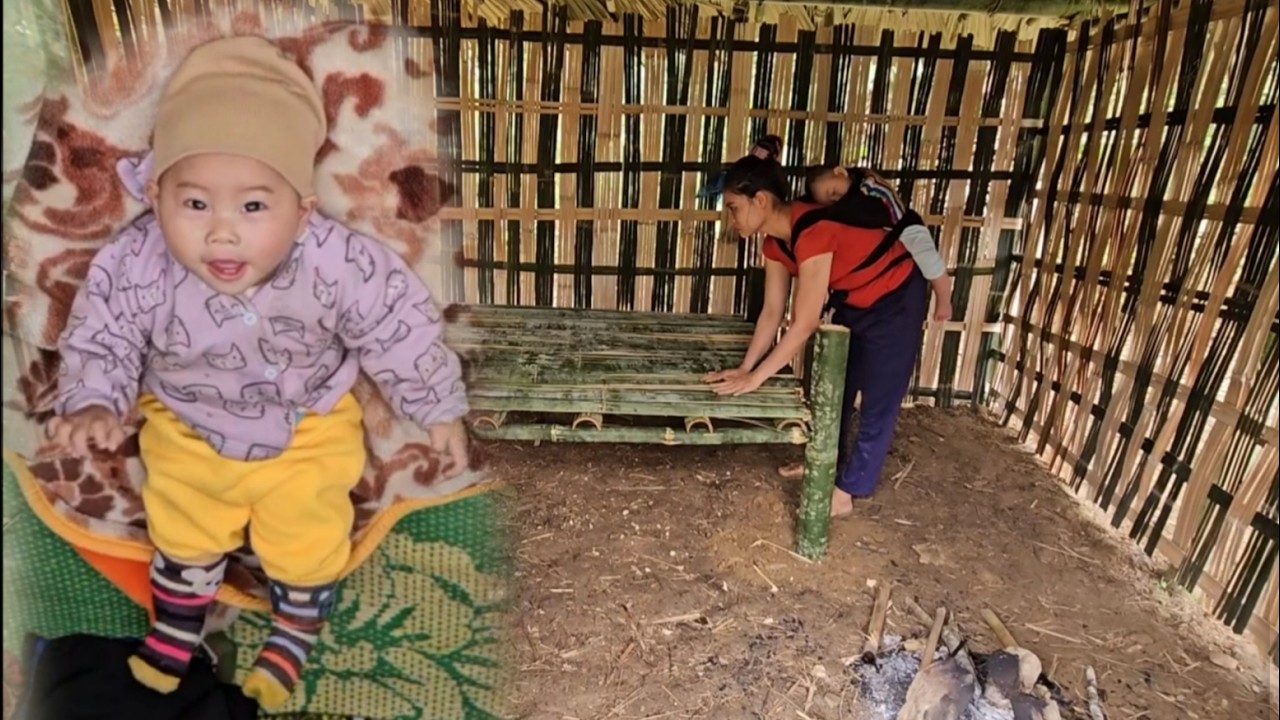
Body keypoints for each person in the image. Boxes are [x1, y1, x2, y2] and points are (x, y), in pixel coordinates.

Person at [48, 36, 470, 710]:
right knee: (181, 525)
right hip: (187, 423)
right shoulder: (135, 264)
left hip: (307, 425)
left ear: (302, 208)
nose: (222, 233)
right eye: (194, 205)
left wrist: (439, 405)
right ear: (157, 195)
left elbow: (397, 324)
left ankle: (297, 623)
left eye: (253, 207)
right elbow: (102, 333)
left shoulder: (337, 262)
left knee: (307, 534)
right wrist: (94, 399)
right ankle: (178, 624)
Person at [702, 142, 934, 518]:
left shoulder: (813, 229)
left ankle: (846, 492)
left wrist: (757, 379)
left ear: (760, 200)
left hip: (896, 298)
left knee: (879, 400)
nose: (731, 221)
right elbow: (772, 312)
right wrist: (746, 368)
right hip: (853, 300)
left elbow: (806, 321)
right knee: (837, 392)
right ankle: (826, 465)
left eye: (733, 208)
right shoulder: (775, 242)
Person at [805, 165, 952, 322]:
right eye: (831, 201)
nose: (835, 199)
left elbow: (869, 212)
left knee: (929, 260)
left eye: (833, 192)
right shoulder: (851, 196)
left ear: (840, 172)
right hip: (886, 236)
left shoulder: (868, 184)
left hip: (905, 226)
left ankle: (944, 300)